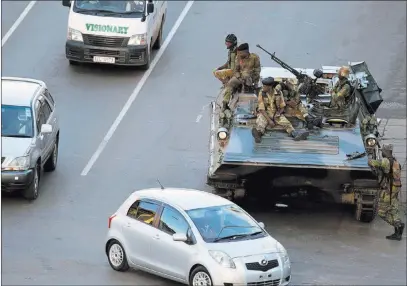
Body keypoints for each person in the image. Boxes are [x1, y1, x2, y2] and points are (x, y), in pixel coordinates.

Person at [251, 77, 310, 143]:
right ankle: (258, 135)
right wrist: (270, 121)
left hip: (275, 113)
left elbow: (282, 106)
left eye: (265, 86)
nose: (263, 87)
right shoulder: (262, 93)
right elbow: (261, 109)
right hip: (265, 113)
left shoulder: (279, 93)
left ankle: (295, 134)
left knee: (287, 123)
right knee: (261, 123)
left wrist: (279, 113)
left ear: (270, 87)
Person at [368, 144, 405, 241]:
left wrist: (368, 160)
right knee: (394, 209)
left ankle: (398, 225)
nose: (382, 152)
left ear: (387, 151)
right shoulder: (396, 161)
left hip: (388, 190)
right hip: (395, 189)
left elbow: (373, 162)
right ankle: (398, 233)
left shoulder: (385, 161)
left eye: (383, 151)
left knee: (381, 212)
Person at [221, 43, 261, 111]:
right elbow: (236, 70)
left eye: (240, 53)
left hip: (250, 78)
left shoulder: (254, 58)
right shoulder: (238, 58)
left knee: (247, 76)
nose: (239, 55)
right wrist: (239, 77)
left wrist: (255, 80)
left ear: (246, 52)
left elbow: (257, 70)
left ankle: (248, 98)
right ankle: (225, 103)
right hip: (239, 77)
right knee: (230, 83)